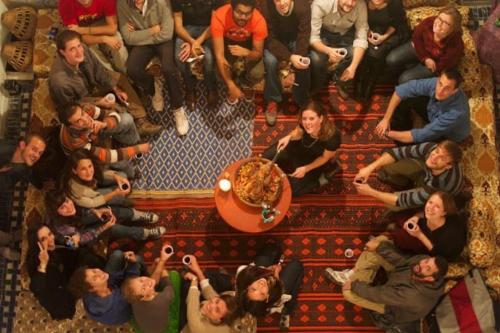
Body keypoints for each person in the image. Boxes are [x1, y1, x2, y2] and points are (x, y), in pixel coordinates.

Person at [49, 30, 162, 137]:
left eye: (78, 46)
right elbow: (72, 109)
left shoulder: (83, 49)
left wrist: (115, 88)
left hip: (92, 85)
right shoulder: (60, 82)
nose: (79, 51)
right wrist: (99, 102)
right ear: (62, 52)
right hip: (81, 104)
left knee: (119, 79)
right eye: (72, 49)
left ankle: (141, 120)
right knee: (114, 108)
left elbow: (99, 70)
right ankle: (127, 123)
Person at [325, 236, 448, 329]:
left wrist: (355, 285)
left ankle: (351, 280)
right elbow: (402, 262)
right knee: (382, 241)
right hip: (397, 278)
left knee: (348, 293)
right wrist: (378, 247)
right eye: (427, 261)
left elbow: (380, 294)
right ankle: (351, 274)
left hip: (391, 308)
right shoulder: (422, 260)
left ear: (430, 279)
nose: (422, 264)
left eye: (428, 268)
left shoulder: (412, 297)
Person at [117, 0, 189, 136]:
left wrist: (140, 34)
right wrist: (152, 30)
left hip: (163, 40)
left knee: (169, 69)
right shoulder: (122, 4)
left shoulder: (162, 1)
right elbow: (128, 38)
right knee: (132, 69)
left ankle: (177, 107)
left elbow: (167, 33)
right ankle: (154, 87)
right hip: (146, 41)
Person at [353, 140, 464, 210]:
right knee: (389, 163)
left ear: (448, 166)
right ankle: (404, 182)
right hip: (427, 173)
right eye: (437, 151)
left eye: (442, 158)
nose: (434, 157)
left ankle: (408, 185)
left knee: (392, 205)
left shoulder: (439, 185)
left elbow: (402, 200)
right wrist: (369, 168)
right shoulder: (430, 148)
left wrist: (371, 192)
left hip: (438, 192)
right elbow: (398, 152)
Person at [26, 223, 104, 320]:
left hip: (65, 272)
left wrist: (74, 242)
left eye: (50, 234)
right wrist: (43, 265)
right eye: (43, 239)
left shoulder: (54, 245)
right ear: (37, 244)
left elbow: (68, 248)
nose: (50, 239)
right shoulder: (37, 261)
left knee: (86, 255)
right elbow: (36, 288)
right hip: (60, 295)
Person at [262, 100, 340, 196]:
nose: (307, 123)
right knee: (264, 158)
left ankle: (320, 181)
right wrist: (288, 137)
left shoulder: (333, 136)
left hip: (313, 160)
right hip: (298, 149)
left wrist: (306, 169)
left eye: (312, 119)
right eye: (304, 119)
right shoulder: (304, 124)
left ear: (320, 118)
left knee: (290, 191)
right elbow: (298, 133)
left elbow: (325, 158)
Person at [374, 69, 470, 144]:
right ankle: (402, 124)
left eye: (447, 89)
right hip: (433, 112)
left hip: (447, 134)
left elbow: (420, 135)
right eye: (440, 84)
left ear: (454, 91)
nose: (440, 91)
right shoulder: (435, 82)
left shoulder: (456, 113)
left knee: (420, 147)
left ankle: (399, 139)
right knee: (407, 96)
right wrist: (386, 119)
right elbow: (401, 90)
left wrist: (386, 133)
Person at [59, 102, 150, 177]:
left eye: (83, 114)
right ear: (71, 126)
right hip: (87, 152)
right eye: (78, 121)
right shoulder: (76, 142)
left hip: (95, 134)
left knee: (127, 118)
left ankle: (133, 142)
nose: (85, 120)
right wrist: (137, 149)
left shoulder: (86, 108)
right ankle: (132, 173)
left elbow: (113, 114)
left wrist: (105, 124)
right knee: (120, 163)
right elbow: (109, 156)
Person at [260, 0, 312, 126]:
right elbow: (269, 39)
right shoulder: (264, 7)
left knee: (303, 61)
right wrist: (289, 57)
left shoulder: (303, 5)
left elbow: (304, 35)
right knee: (270, 61)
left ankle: (302, 98)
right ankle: (273, 100)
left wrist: (296, 58)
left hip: (296, 39)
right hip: (275, 42)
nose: (282, 3)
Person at [46, 190, 166, 243]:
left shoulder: (72, 205)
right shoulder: (63, 229)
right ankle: (144, 234)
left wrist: (97, 211)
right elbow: (81, 240)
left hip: (79, 221)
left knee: (108, 211)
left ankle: (136, 215)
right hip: (84, 236)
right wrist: (104, 228)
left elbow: (82, 212)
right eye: (62, 207)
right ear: (57, 212)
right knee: (113, 228)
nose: (68, 206)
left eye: (67, 201)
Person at [386, 6, 464, 84]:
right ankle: (413, 65)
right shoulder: (429, 22)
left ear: (453, 29)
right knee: (391, 59)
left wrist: (427, 63)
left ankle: (413, 75)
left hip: (435, 64)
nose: (439, 23)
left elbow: (441, 68)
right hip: (421, 50)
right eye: (439, 18)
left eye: (446, 23)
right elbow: (416, 37)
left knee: (404, 79)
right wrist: (425, 58)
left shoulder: (456, 45)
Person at [211, 0, 268, 104]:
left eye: (247, 13)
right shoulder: (219, 16)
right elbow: (219, 55)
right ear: (231, 8)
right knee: (219, 73)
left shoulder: (259, 21)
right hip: (228, 44)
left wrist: (247, 53)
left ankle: (246, 84)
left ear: (253, 11)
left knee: (257, 73)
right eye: (239, 12)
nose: (243, 17)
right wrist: (231, 85)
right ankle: (235, 84)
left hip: (249, 45)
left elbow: (258, 53)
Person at [235, 244, 303, 331]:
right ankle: (287, 311)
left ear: (248, 286)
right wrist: (276, 276)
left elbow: (256, 270)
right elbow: (280, 292)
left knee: (272, 247)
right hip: (277, 288)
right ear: (267, 297)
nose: (261, 285)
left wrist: (267, 270)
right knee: (296, 265)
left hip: (260, 270)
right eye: (262, 293)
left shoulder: (243, 272)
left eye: (254, 289)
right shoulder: (275, 298)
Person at [180, 254, 254, 333]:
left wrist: (194, 281)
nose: (211, 305)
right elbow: (208, 290)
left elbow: (192, 314)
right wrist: (197, 269)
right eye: (217, 301)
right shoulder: (224, 307)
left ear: (219, 320)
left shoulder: (204, 329)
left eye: (217, 310)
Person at [353, 0, 409, 103]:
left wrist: (383, 37)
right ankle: (358, 83)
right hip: (370, 29)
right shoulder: (362, 2)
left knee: (377, 53)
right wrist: (368, 33)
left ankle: (370, 85)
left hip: (391, 32)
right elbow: (361, 20)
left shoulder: (395, 3)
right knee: (367, 49)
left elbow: (396, 23)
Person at [173, 0, 225, 109]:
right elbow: (178, 27)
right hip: (186, 30)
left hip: (208, 29)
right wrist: (192, 42)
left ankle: (211, 87)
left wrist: (197, 42)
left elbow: (214, 25)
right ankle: (190, 87)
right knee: (180, 57)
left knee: (209, 58)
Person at [309, 0, 368, 98]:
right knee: (316, 59)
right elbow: (313, 37)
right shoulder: (320, 3)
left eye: (354, 0)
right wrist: (329, 51)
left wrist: (353, 67)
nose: (350, 3)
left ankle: (340, 80)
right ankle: (318, 83)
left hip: (345, 35)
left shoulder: (361, 5)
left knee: (355, 54)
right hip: (323, 34)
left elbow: (361, 38)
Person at [68, 250, 144, 325]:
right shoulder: (117, 301)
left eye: (94, 271)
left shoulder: (87, 291)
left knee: (117, 255)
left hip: (113, 288)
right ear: (92, 289)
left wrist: (126, 262)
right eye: (95, 278)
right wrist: (133, 263)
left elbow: (112, 279)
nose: (99, 272)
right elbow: (131, 282)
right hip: (124, 310)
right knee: (138, 259)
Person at [391, 191, 467, 261]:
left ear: (444, 213)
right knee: (402, 215)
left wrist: (419, 235)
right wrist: (415, 217)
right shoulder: (433, 214)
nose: (431, 207)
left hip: (440, 252)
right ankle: (394, 226)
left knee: (401, 236)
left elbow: (437, 254)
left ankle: (393, 234)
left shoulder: (448, 234)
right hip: (427, 229)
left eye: (437, 206)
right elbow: (424, 212)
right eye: (430, 202)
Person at [58, 0, 128, 73]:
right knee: (91, 54)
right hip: (83, 33)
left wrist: (83, 30)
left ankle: (125, 70)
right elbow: (76, 37)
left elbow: (112, 29)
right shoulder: (65, 3)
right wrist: (103, 39)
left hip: (99, 24)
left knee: (118, 45)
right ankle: (112, 75)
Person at [121, 244, 175, 333]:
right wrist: (164, 270)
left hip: (144, 328)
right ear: (142, 296)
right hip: (160, 329)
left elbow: (151, 282)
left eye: (141, 280)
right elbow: (168, 286)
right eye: (143, 288)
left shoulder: (134, 298)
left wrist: (162, 261)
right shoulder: (163, 298)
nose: (146, 282)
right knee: (174, 277)